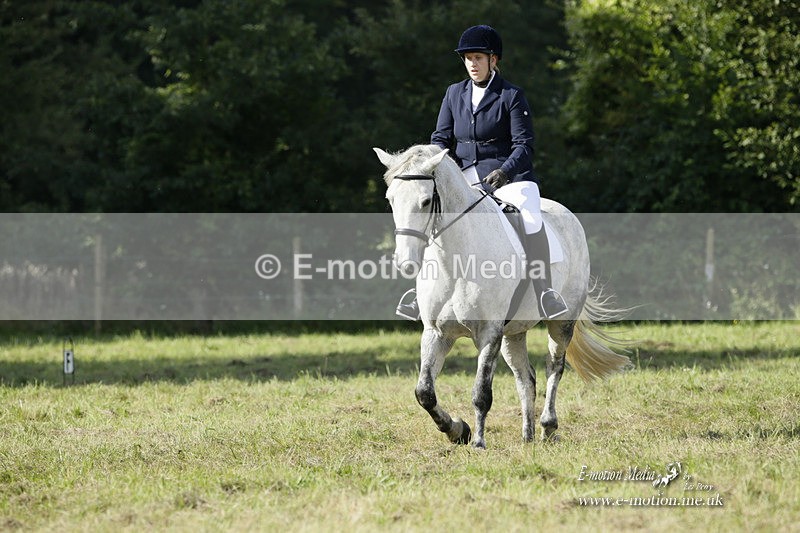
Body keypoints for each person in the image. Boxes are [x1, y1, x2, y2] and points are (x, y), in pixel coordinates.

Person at [396, 24, 568, 321]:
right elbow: (440, 138)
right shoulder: (454, 93)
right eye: (468, 58)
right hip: (464, 176)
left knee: (529, 216)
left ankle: (545, 292)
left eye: (478, 58)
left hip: (509, 177)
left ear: (493, 60)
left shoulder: (511, 95)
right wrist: (433, 165)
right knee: (432, 215)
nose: (472, 64)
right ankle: (420, 293)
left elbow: (524, 145)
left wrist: (504, 171)